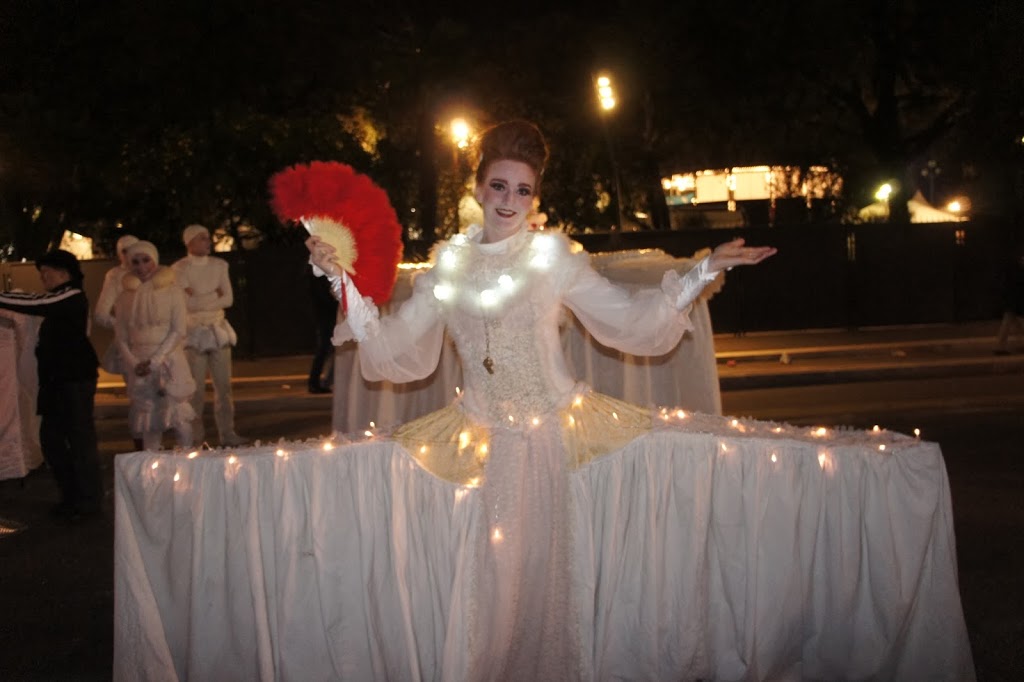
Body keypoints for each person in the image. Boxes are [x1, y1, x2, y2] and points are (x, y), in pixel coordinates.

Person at [306, 120, 776, 679]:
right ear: (478, 189)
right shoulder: (447, 268)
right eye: (499, 187)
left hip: (555, 437)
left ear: (535, 199)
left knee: (553, 580)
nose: (509, 201)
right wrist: (342, 281)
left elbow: (631, 320)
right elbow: (392, 347)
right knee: (490, 589)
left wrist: (706, 269)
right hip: (480, 441)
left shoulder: (552, 260)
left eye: (523, 190)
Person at [0, 250, 103, 520]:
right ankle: (71, 498)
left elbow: (34, 304)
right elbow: (34, 300)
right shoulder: (57, 298)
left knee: (79, 440)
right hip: (56, 381)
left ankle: (88, 501)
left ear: (64, 273)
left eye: (48, 272)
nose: (43, 277)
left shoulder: (72, 296)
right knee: (52, 440)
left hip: (74, 380)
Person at [115, 241, 196, 451]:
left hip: (168, 358)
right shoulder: (124, 297)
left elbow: (178, 330)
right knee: (148, 418)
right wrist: (134, 363)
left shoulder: (173, 292)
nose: (141, 267)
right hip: (139, 360)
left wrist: (157, 359)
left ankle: (189, 461)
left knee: (178, 414)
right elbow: (121, 336)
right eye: (135, 262)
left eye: (146, 260)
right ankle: (152, 468)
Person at [171, 224, 246, 446]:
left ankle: (227, 433)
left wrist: (200, 298)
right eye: (202, 238)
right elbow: (185, 303)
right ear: (189, 242)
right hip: (193, 333)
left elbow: (228, 299)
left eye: (207, 237)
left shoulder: (219, 265)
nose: (207, 242)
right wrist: (213, 295)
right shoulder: (179, 269)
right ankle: (196, 437)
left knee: (224, 387)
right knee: (195, 390)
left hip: (217, 330)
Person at [94, 233, 140, 378]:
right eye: (125, 251)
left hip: (157, 341)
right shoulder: (115, 276)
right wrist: (123, 325)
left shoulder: (155, 274)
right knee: (137, 390)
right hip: (130, 342)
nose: (130, 254)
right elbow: (101, 314)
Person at [307, 268, 338, 393]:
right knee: (325, 349)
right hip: (327, 315)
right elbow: (324, 296)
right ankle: (315, 382)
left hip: (325, 314)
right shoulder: (319, 275)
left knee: (327, 349)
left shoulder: (317, 274)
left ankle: (320, 381)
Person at [994, 247, 1024, 355]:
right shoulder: (1017, 271)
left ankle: (1000, 346)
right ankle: (1000, 347)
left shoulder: (1011, 269)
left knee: (1011, 324)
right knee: (1011, 324)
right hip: (1015, 302)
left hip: (1012, 301)